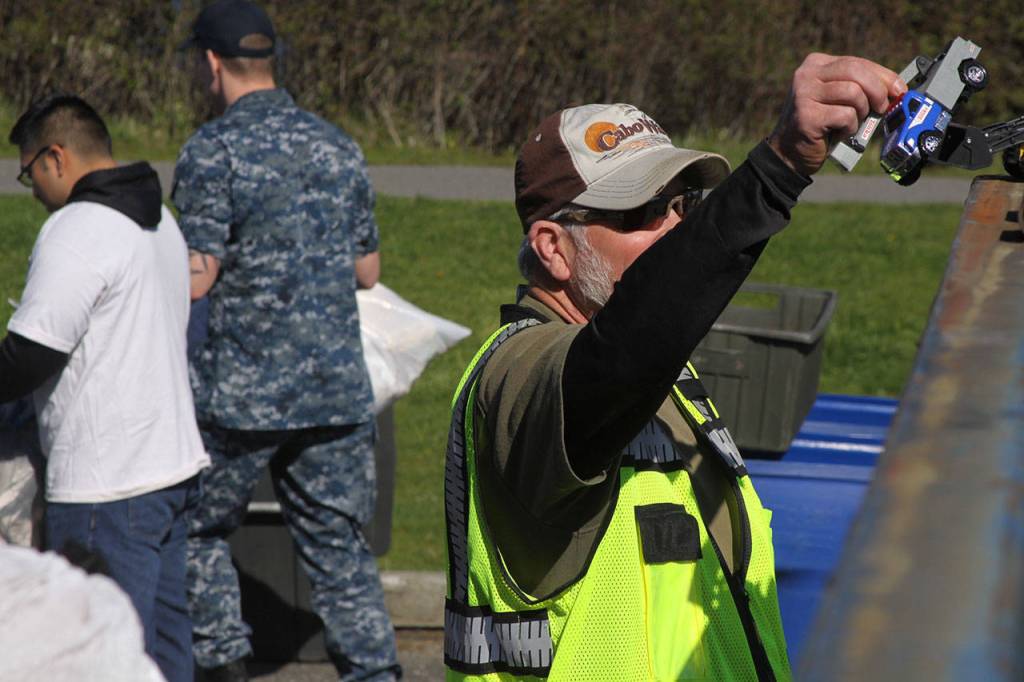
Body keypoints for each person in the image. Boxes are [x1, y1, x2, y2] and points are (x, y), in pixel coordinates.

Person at [442, 54, 905, 680]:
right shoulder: (518, 374)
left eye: (684, 204)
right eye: (639, 215)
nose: (674, 229)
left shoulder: (665, 372)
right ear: (553, 247)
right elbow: (630, 341)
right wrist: (777, 170)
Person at [172, 2, 398, 680]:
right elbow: (369, 271)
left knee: (193, 528)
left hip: (243, 399)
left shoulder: (213, 151)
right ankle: (376, 673)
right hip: (334, 394)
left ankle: (224, 665)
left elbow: (195, 278)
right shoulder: (338, 145)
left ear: (212, 64)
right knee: (338, 547)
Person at [2, 94, 209, 682]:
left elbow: (30, 355)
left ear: (56, 158)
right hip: (170, 470)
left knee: (98, 657)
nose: (34, 190)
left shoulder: (77, 229)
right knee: (163, 657)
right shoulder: (159, 218)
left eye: (28, 173)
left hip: (106, 488)